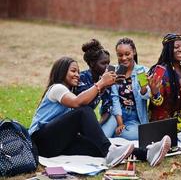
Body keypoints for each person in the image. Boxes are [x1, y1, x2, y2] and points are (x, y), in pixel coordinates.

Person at [29, 57, 171, 167]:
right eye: (73, 71)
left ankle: (147, 153)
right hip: (41, 141)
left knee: (101, 146)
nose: (77, 74)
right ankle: (111, 152)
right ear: (61, 71)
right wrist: (100, 83)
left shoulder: (69, 92)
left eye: (78, 71)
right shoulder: (57, 88)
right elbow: (79, 104)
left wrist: (102, 88)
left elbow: (81, 107)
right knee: (84, 111)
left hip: (55, 146)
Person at [106, 37, 150, 140]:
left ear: (134, 52)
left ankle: (113, 138)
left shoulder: (143, 71)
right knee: (103, 135)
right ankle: (112, 136)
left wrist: (143, 88)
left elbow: (147, 96)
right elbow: (114, 98)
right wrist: (120, 123)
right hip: (116, 115)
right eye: (120, 55)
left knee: (134, 135)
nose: (124, 58)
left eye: (127, 54)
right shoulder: (113, 71)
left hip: (134, 116)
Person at [74, 39, 114, 136]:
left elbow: (107, 108)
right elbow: (84, 104)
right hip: (73, 122)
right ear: (92, 64)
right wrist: (102, 85)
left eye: (108, 63)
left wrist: (98, 126)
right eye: (103, 63)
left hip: (88, 121)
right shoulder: (81, 79)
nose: (107, 67)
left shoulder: (104, 80)